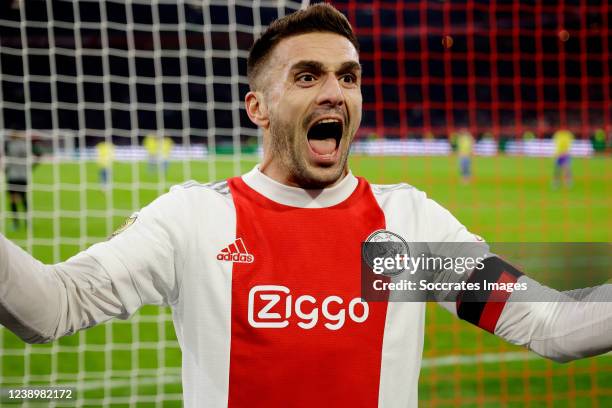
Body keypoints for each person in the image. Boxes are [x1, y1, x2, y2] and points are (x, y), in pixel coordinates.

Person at [0, 5, 610, 407]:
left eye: (349, 76)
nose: (335, 92)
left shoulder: (409, 229)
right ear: (257, 109)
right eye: (307, 76)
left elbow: (548, 325)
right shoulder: (194, 221)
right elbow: (53, 306)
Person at [2, 131, 37, 230]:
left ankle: (15, 224)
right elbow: (34, 159)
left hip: (12, 177)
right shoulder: (25, 145)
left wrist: (5, 171)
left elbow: (7, 161)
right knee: (24, 199)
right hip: (23, 177)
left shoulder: (9, 145)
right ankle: (28, 223)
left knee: (13, 200)